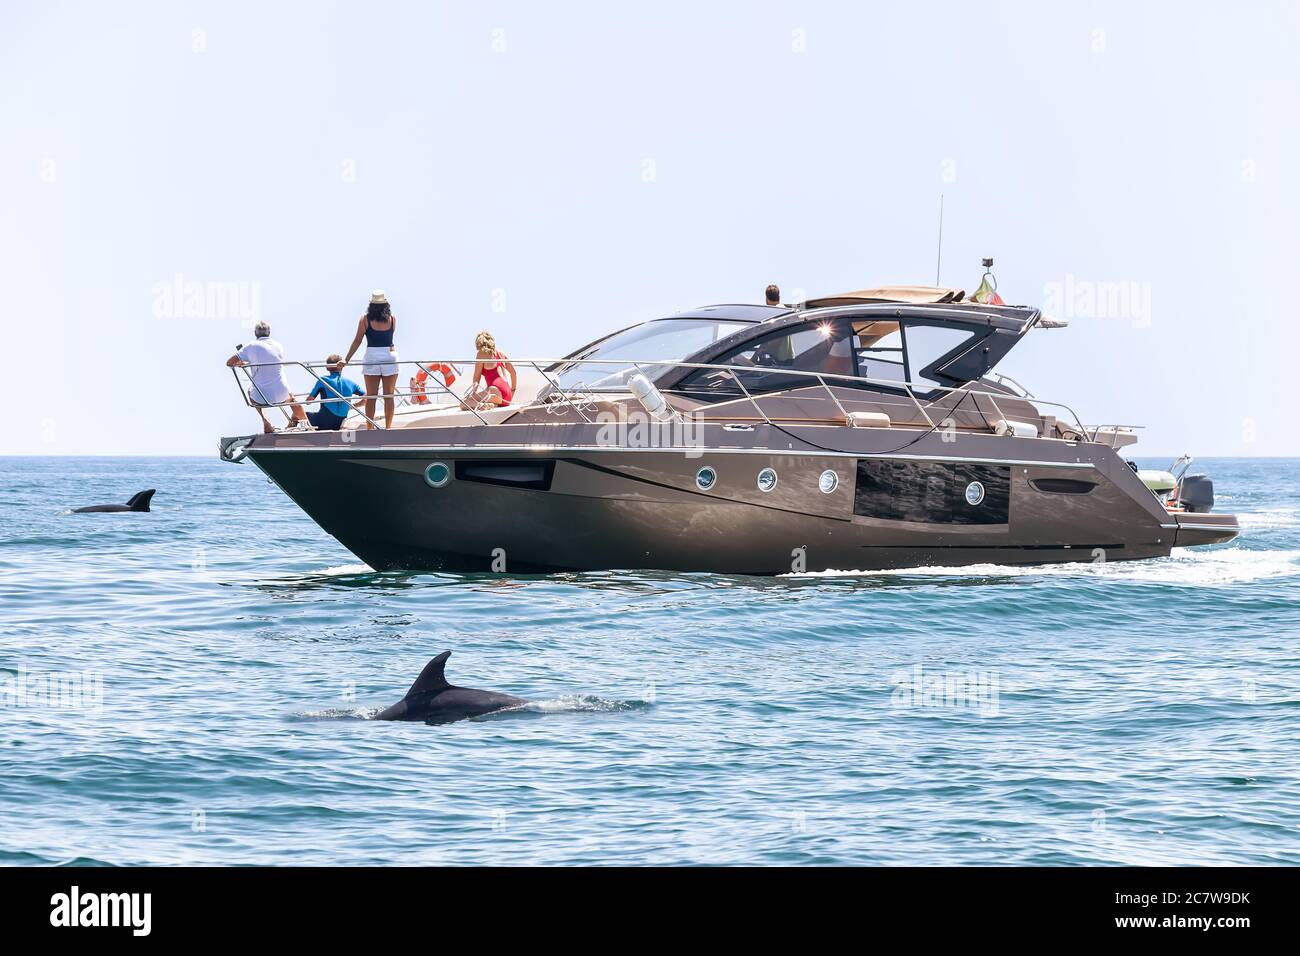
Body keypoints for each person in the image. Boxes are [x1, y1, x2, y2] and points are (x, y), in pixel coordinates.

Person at [226, 321, 308, 433]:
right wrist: (249, 362)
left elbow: (229, 363)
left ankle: (266, 422)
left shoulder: (250, 346)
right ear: (269, 332)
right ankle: (306, 423)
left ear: (255, 333)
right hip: (282, 394)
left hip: (261, 397)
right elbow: (267, 359)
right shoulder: (278, 345)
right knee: (292, 399)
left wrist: (242, 362)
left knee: (250, 391)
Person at [343, 290, 399, 429]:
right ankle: (388, 428)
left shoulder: (365, 319)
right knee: (389, 396)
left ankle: (370, 428)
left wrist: (346, 359)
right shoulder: (393, 318)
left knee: (371, 396)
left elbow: (357, 340)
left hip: (372, 357)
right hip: (389, 357)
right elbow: (391, 338)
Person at [306, 354, 364, 430]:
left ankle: (287, 436)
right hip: (339, 424)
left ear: (327, 367)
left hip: (322, 422)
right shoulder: (351, 383)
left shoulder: (323, 380)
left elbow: (309, 401)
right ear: (342, 366)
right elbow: (366, 398)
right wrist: (350, 407)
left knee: (296, 415)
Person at [465, 330, 517, 410]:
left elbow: (476, 377)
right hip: (507, 395)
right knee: (487, 396)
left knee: (464, 403)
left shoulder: (481, 354)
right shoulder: (501, 353)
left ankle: (483, 405)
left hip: (495, 391)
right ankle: (491, 405)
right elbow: (513, 373)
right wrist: (512, 390)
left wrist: (473, 394)